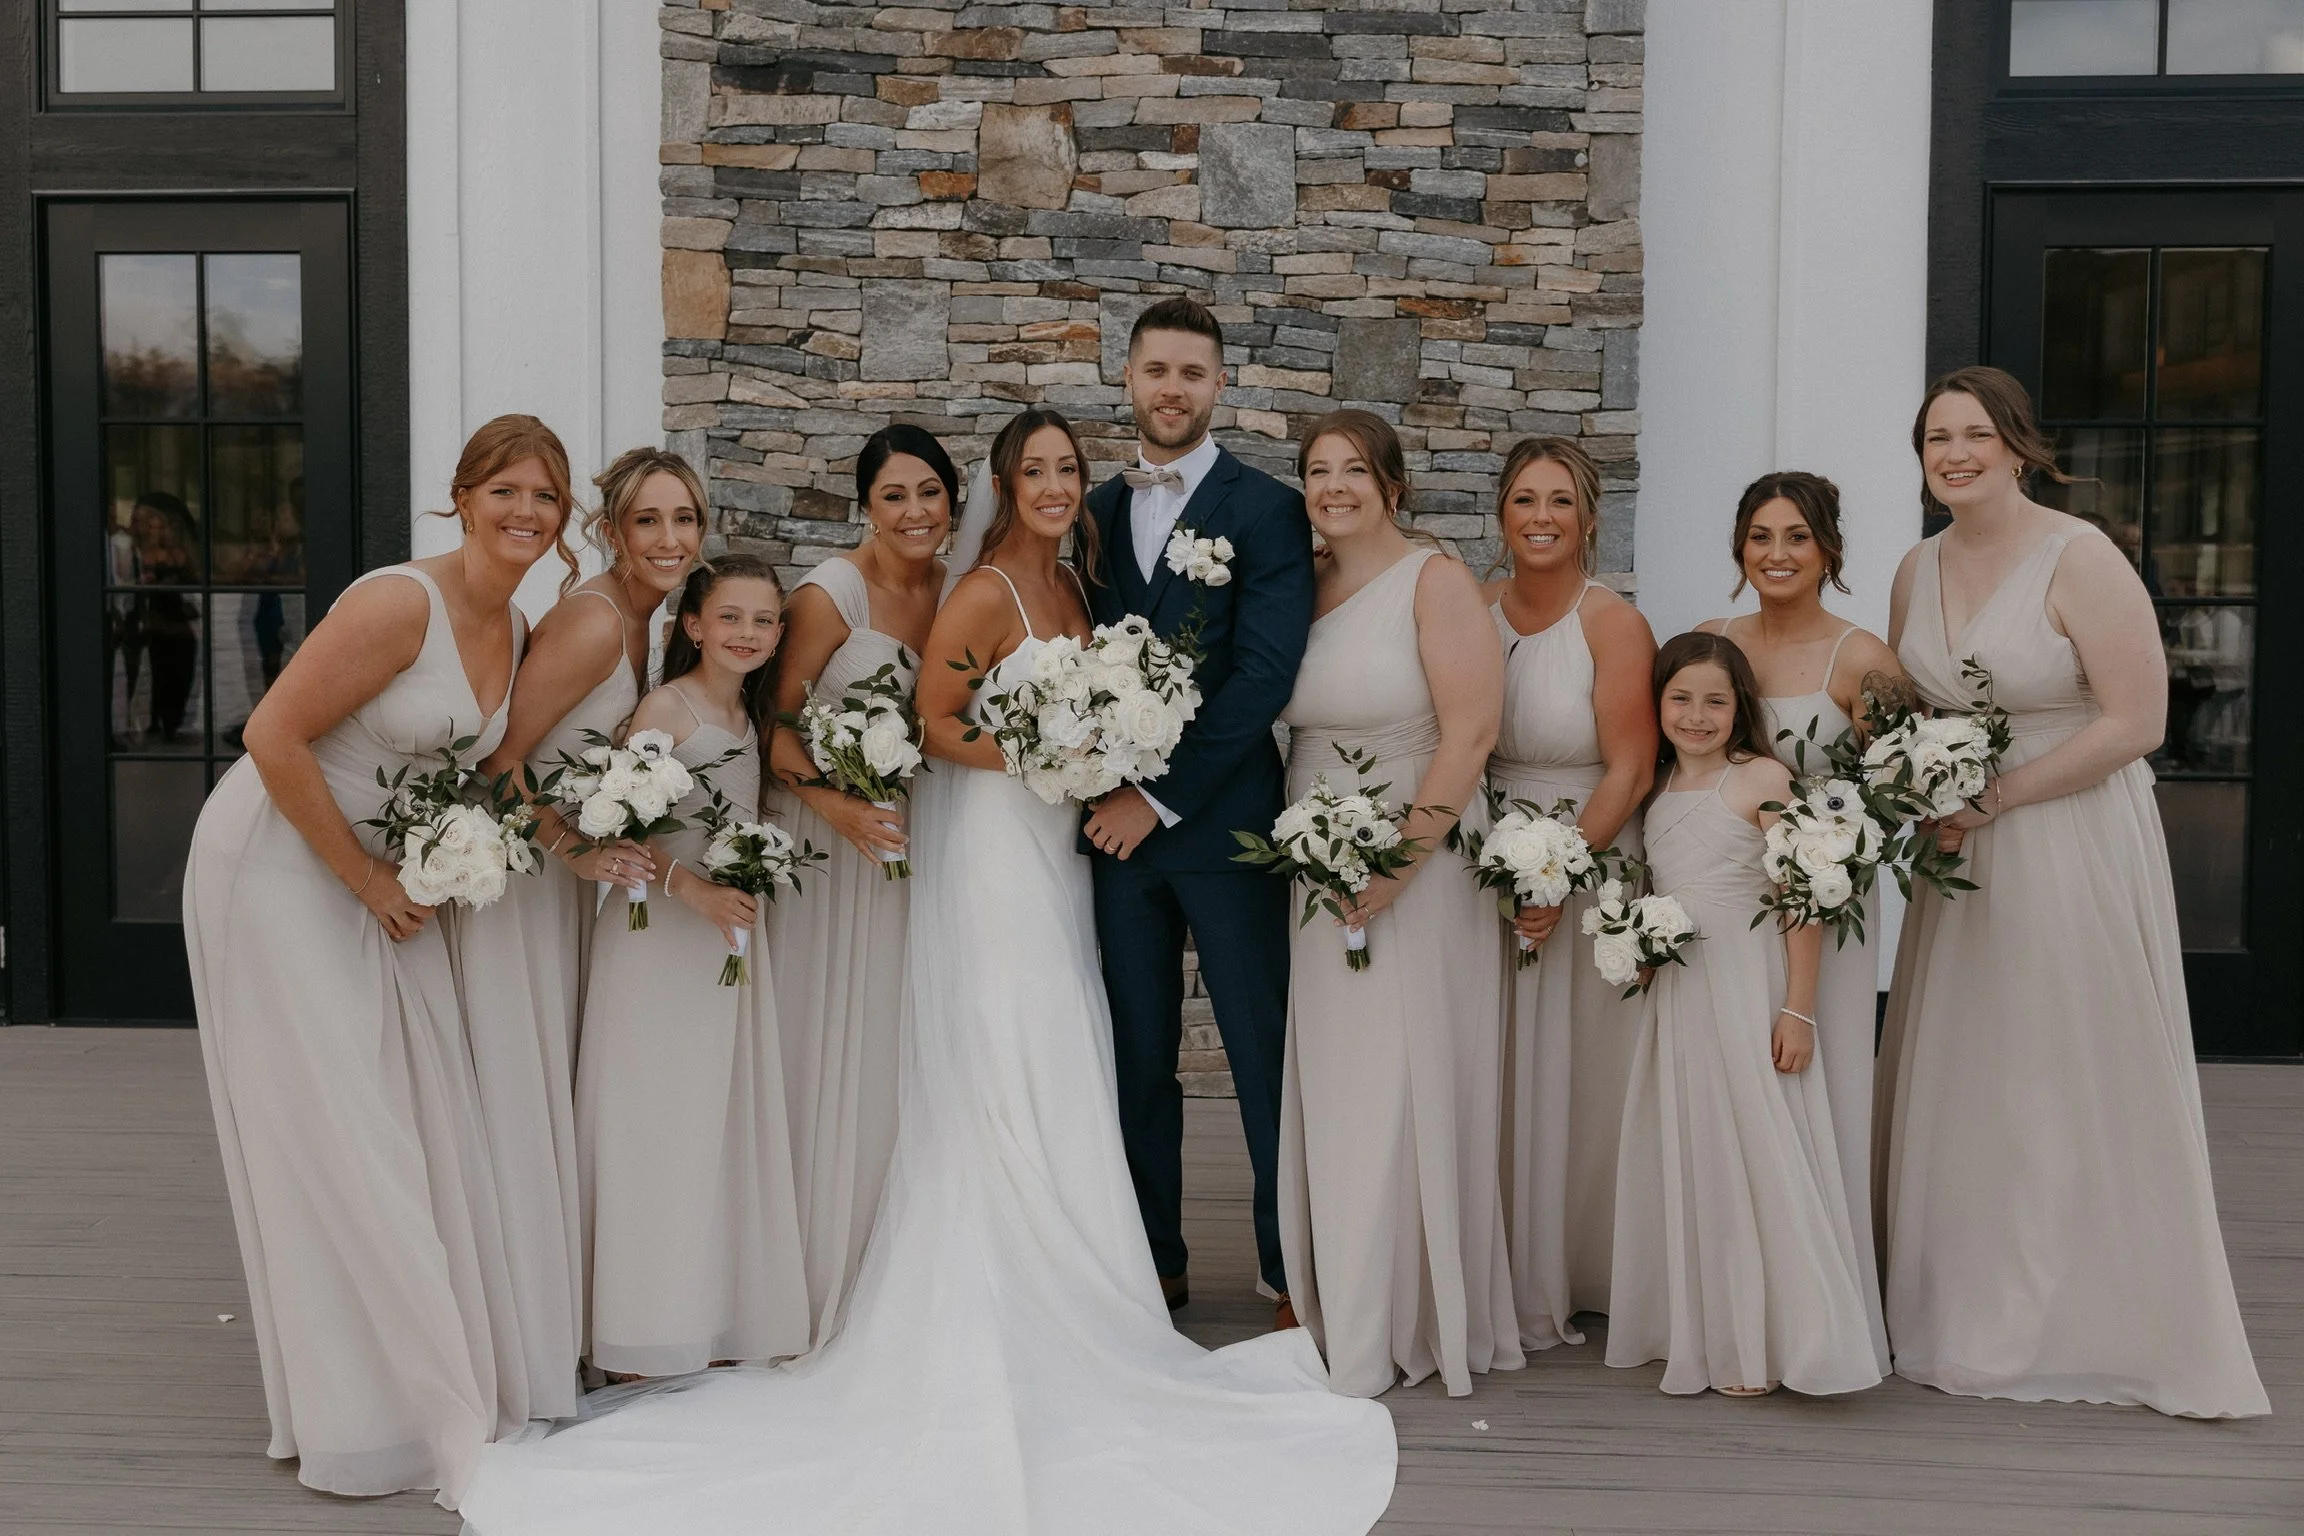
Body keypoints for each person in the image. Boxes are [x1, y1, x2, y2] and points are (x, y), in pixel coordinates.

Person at [456, 408, 1396, 1536]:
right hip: (997, 848)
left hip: (1052, 849)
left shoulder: (1077, 584)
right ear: (1000, 485)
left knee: (1065, 1045)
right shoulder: (988, 589)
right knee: (1006, 1044)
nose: (1052, 485)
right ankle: (1002, 1285)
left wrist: (1099, 745)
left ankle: (1095, 1271)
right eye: (1031, 469)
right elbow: (935, 721)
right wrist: (1057, 752)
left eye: (1065, 468)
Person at [182, 413, 577, 1504]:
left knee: (396, 1119)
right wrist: (367, 880)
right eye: (506, 492)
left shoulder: (521, 622)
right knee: (336, 1123)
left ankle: (398, 1391)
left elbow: (487, 768)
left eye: (545, 497)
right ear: (462, 497)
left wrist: (579, 848)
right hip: (278, 863)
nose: (526, 514)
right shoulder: (401, 600)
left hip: (377, 875)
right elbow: (271, 735)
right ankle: (365, 1420)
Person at [1876, 366, 2267, 1417]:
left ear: (2016, 445)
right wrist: (1914, 783)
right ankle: (1958, 1299)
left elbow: (2137, 721)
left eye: (1974, 435)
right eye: (1934, 440)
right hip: (1961, 855)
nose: (1953, 455)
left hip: (2067, 833)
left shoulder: (2079, 555)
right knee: (1972, 1069)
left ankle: (2072, 1312)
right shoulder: (1916, 568)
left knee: (2056, 1066)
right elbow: (1912, 707)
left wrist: (1995, 797)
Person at [452, 446, 706, 1415]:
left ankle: (563, 1326)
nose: (670, 539)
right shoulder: (598, 622)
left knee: (554, 1102)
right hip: (523, 885)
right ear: (611, 531)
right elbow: (501, 761)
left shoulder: (655, 625)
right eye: (649, 521)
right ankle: (524, 1345)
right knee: (521, 1097)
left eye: (685, 520)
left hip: (564, 891)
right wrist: (575, 850)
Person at [1275, 410, 1521, 1397]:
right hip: (1315, 862)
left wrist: (1400, 865)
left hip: (1416, 865)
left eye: (1353, 471)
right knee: (1340, 1078)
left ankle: (1414, 1310)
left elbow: (1471, 734)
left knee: (1404, 1075)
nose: (1334, 488)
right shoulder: (1304, 584)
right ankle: (1342, 1298)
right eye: (1317, 472)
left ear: (1392, 483)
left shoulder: (1435, 581)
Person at [1079, 296, 1314, 1321]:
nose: (1172, 389)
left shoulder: (1265, 510)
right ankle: (1152, 1262)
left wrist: (1160, 800)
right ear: (1125, 379)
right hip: (1106, 838)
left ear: (1221, 386)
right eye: (1156, 370)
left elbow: (1262, 677)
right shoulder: (1085, 512)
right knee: (1134, 1055)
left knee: (1260, 1051)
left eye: (1192, 373)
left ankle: (1285, 1264)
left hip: (1222, 829)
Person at [1605, 632, 1882, 1399]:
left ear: (1741, 710)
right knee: (1702, 1149)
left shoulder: (1762, 778)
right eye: (1681, 698)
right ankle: (1718, 1322)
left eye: (1715, 701)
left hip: (1748, 984)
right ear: (1658, 703)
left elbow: (1805, 897)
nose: (1697, 716)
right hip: (1684, 993)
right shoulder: (1655, 788)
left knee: (1762, 1145)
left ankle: (1786, 1333)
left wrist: (1799, 1008)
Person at [575, 555, 810, 1381]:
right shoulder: (665, 711)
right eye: (732, 617)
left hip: (719, 945)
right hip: (656, 944)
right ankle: (636, 1333)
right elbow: (621, 836)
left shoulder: (749, 714)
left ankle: (700, 1313)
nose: (748, 633)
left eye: (764, 621)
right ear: (694, 626)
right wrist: (696, 890)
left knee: (706, 1129)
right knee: (652, 1129)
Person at [1694, 470, 1898, 1373]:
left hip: (1825, 907)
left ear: (1830, 550)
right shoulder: (1709, 642)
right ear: (1739, 547)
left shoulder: (1862, 658)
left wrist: (1831, 845)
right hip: (1724, 913)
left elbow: (1901, 794)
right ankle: (1735, 1296)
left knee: (1820, 1090)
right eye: (1761, 537)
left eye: (1797, 538)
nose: (1777, 555)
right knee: (1734, 1096)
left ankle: (1824, 1308)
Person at [765, 424, 954, 1345]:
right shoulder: (831, 592)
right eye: (894, 497)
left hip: (909, 841)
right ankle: (801, 1265)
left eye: (929, 492)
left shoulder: (958, 591)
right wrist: (831, 803)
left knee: (891, 1041)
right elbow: (770, 719)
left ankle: (888, 1251)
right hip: (828, 836)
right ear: (866, 507)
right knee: (821, 1034)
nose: (915, 512)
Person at [1483, 437, 1657, 1352]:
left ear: (1589, 517)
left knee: (1587, 1070)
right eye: (1523, 500)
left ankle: (1593, 1266)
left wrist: (1556, 876)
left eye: (1559, 501)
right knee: (1502, 1063)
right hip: (1491, 864)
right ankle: (1507, 1260)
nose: (1540, 517)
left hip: (1591, 861)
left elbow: (1632, 767)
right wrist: (1504, 870)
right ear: (1501, 515)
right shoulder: (1475, 609)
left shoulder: (1612, 624)